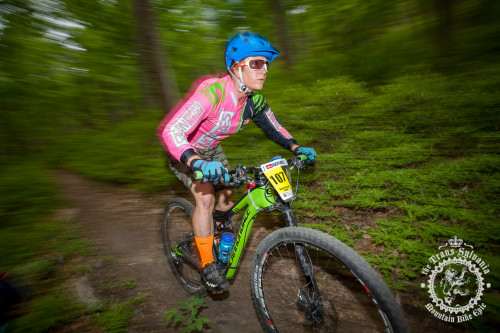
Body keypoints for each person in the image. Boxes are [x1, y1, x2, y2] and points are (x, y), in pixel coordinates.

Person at [158, 32, 316, 293]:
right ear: (235, 67)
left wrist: (297, 148)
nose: (264, 70)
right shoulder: (213, 92)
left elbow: (274, 128)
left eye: (266, 64)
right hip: (184, 152)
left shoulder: (253, 101)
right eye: (256, 63)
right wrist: (196, 162)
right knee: (206, 198)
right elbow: (172, 131)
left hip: (212, 150)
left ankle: (215, 242)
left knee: (227, 201)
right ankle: (207, 266)